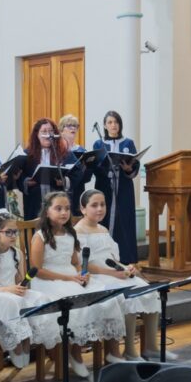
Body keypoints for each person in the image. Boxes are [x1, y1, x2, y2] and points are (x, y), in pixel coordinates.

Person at [29, 192, 127, 377]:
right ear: (47, 211)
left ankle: (112, 351)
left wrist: (82, 273)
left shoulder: (70, 233)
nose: (64, 212)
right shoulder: (40, 236)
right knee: (76, 305)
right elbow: (37, 269)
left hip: (71, 277)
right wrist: (69, 278)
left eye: (66, 208)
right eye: (58, 208)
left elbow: (75, 262)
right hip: (47, 281)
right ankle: (75, 354)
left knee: (106, 298)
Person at [75, 189, 157, 361]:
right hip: (96, 277)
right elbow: (86, 264)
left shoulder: (103, 229)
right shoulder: (79, 231)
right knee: (128, 296)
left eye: (103, 205)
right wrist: (114, 273)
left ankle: (151, 346)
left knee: (149, 291)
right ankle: (129, 350)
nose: (100, 209)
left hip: (113, 273)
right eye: (94, 205)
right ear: (83, 208)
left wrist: (125, 267)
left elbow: (112, 258)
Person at [0, 209, 60, 368]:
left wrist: (22, 286)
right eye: (9, 232)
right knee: (12, 302)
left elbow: (20, 280)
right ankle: (16, 343)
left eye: (15, 232)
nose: (13, 236)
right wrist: (7, 289)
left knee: (41, 298)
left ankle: (32, 338)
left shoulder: (17, 253)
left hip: (12, 293)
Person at [91, 110, 140, 264]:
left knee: (124, 219)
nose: (113, 125)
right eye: (110, 122)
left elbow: (134, 164)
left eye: (116, 122)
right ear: (105, 126)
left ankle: (125, 258)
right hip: (105, 186)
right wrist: (104, 166)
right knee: (103, 217)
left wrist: (128, 169)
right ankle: (104, 257)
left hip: (124, 187)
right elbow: (94, 165)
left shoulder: (128, 143)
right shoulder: (99, 144)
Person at [21, 118, 74, 220]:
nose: (48, 134)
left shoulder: (64, 153)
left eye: (50, 131)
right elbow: (19, 174)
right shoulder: (27, 154)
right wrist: (25, 181)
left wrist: (65, 181)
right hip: (34, 202)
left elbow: (77, 171)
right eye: (44, 131)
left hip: (58, 202)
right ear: (37, 135)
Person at [59, 114, 94, 213]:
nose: (73, 128)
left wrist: (86, 168)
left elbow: (87, 178)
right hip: (59, 190)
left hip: (77, 191)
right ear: (62, 129)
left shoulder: (82, 151)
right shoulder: (55, 149)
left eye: (75, 126)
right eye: (69, 125)